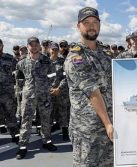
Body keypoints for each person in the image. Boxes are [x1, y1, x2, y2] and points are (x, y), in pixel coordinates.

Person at [63, 7, 113, 166]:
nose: (91, 26)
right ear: (78, 26)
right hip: (87, 132)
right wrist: (108, 124)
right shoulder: (76, 57)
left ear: (100, 25)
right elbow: (93, 93)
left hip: (108, 130)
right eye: (86, 23)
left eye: (95, 22)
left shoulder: (104, 55)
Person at [15, 37, 57, 159]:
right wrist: (23, 93)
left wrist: (48, 87)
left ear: (39, 46)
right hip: (28, 96)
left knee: (46, 119)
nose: (33, 47)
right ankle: (23, 146)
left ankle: (47, 141)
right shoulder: (21, 63)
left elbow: (53, 76)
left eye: (35, 44)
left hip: (44, 95)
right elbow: (20, 81)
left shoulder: (46, 61)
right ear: (27, 46)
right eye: (31, 45)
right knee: (26, 121)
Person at [48, 42, 70, 141]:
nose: (54, 51)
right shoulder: (45, 62)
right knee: (49, 111)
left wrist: (59, 88)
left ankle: (65, 131)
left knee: (63, 111)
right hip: (49, 91)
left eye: (56, 49)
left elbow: (66, 77)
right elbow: (42, 77)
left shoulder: (63, 61)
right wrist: (50, 88)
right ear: (49, 50)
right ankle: (47, 133)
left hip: (62, 91)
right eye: (53, 49)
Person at [0, 39, 19, 143]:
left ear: (2, 46)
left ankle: (15, 135)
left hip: (8, 93)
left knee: (11, 114)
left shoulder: (9, 58)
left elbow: (18, 72)